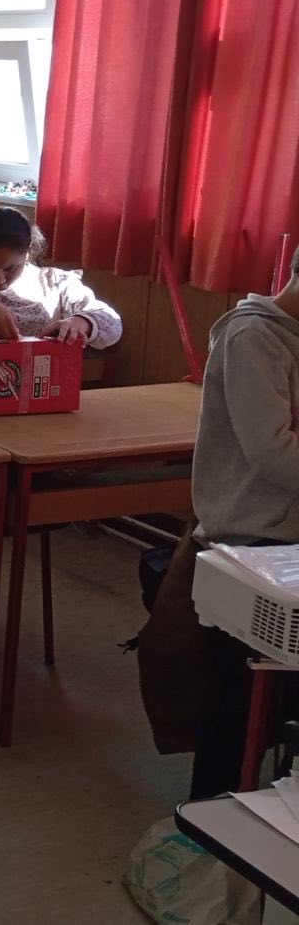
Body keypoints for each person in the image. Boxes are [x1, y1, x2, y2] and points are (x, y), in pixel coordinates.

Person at [183, 246, 299, 796]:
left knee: (282, 704)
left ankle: (276, 805)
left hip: (286, 542)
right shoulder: (252, 335)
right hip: (250, 543)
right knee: (235, 707)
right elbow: (274, 453)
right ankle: (212, 815)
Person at [0, 206, 122, 379]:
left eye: (10, 268)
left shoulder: (55, 283)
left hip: (41, 382)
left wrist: (80, 323)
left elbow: (112, 324)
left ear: (27, 252)